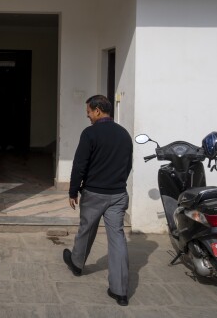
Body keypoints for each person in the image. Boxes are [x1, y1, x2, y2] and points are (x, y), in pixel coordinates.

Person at [62, 94, 133, 306]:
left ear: (98, 110)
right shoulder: (124, 134)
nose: (89, 117)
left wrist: (73, 191)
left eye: (89, 113)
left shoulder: (90, 133)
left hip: (94, 194)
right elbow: (127, 165)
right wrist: (118, 183)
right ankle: (120, 291)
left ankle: (76, 263)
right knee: (117, 239)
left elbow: (79, 165)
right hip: (118, 194)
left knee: (86, 229)